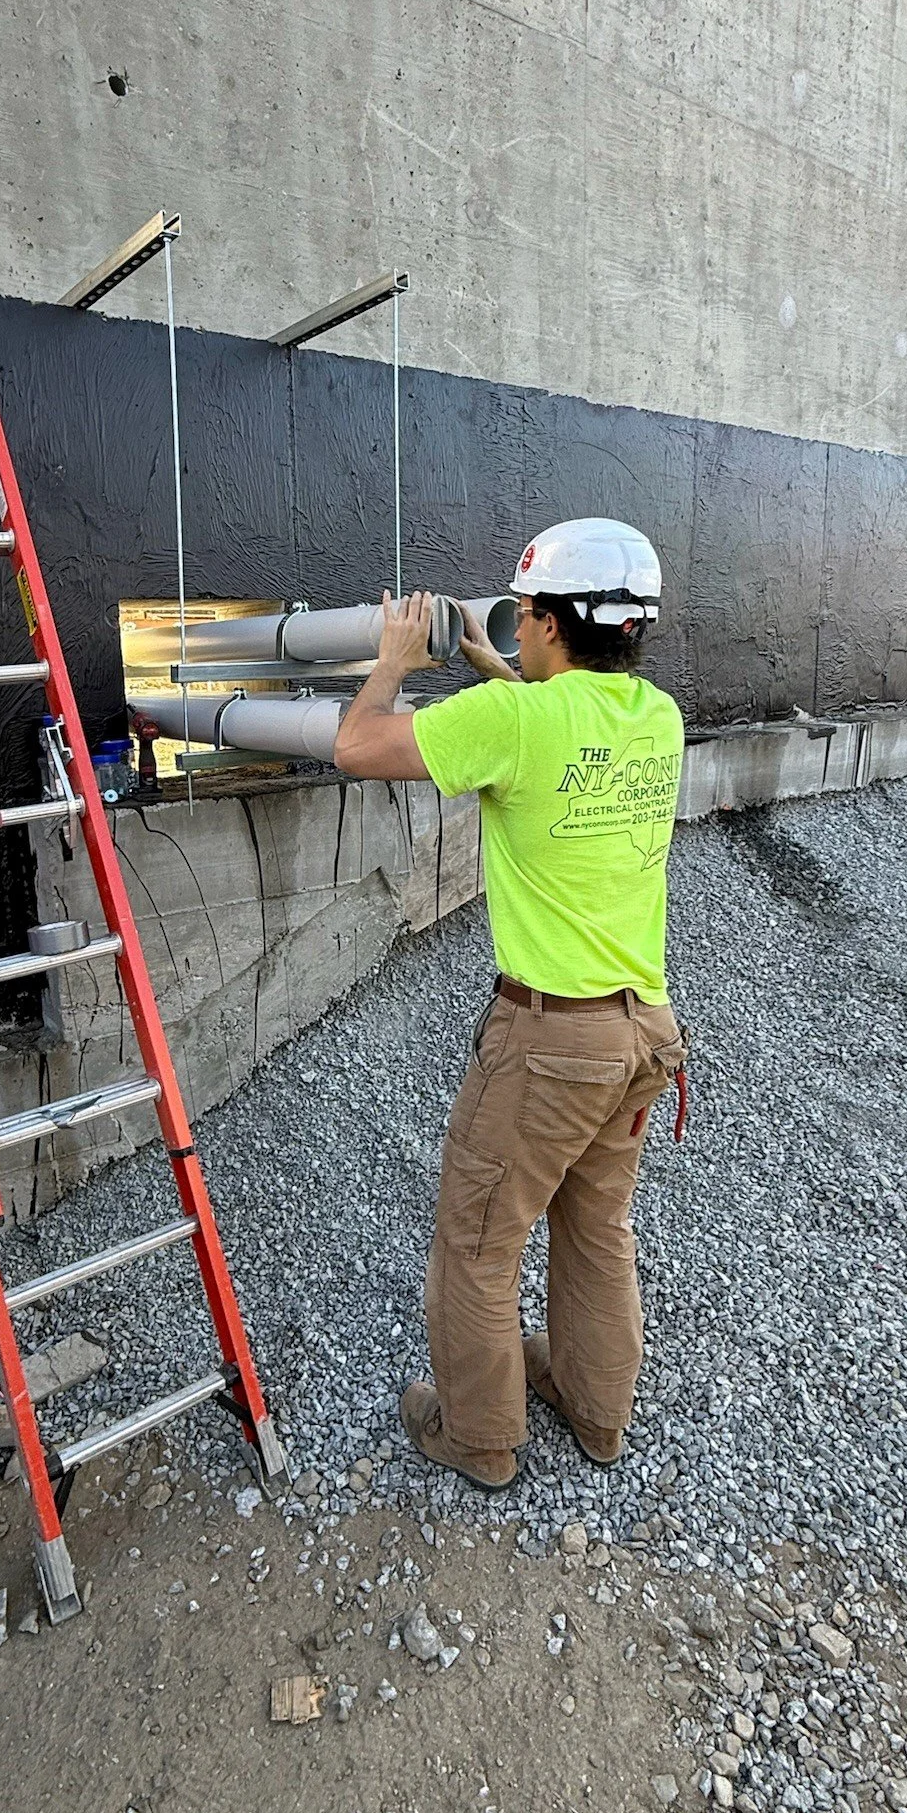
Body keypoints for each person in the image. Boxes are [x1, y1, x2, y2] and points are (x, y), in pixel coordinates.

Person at [333, 519, 687, 1490]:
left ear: (547, 619)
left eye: (524, 613)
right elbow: (559, 732)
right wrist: (497, 665)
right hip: (644, 1032)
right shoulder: (656, 715)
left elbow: (359, 747)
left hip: (549, 1040)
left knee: (479, 1239)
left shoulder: (517, 723)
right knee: (595, 1226)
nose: (518, 626)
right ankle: (595, 1409)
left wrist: (393, 659)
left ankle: (478, 1434)